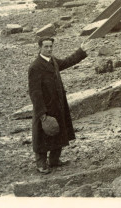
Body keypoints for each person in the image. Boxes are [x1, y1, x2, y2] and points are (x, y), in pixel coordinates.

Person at [28, 37, 88, 174]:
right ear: (40, 48)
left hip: (58, 105)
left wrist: (81, 51)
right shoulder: (35, 67)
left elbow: (67, 62)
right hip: (44, 108)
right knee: (41, 136)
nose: (49, 49)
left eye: (50, 46)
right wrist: (42, 114)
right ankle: (41, 164)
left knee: (59, 132)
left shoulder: (53, 61)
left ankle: (54, 160)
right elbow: (35, 92)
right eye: (46, 47)